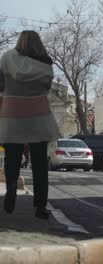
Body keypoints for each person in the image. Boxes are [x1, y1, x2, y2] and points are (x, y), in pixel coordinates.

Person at [0, 30, 60, 219]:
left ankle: (11, 186)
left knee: (12, 157)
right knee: (40, 163)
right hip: (37, 114)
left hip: (12, 113)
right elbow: (46, 87)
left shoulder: (7, 57)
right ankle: (40, 206)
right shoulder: (45, 63)